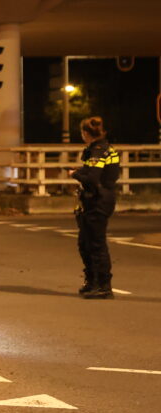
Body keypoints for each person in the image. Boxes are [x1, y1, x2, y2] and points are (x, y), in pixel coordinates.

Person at [70, 116, 120, 299]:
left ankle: (103, 286)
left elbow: (92, 179)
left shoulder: (98, 151)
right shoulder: (105, 148)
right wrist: (81, 171)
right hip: (97, 199)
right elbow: (97, 172)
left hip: (98, 200)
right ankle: (91, 281)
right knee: (84, 243)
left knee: (96, 244)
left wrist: (75, 174)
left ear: (85, 133)